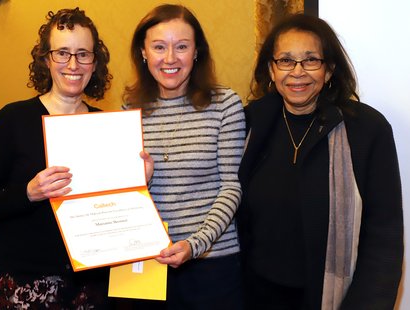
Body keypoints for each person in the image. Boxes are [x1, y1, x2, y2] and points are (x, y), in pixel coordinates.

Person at [0, 8, 131, 309]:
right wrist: (29, 193)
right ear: (46, 59)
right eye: (62, 53)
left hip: (89, 287)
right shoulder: (13, 119)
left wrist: (135, 178)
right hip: (22, 285)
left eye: (83, 54)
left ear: (95, 63)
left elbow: (116, 207)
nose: (73, 64)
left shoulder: (106, 126)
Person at [237, 13, 403, 309]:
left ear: (328, 71)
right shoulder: (250, 122)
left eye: (311, 60)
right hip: (254, 295)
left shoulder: (367, 130)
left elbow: (384, 236)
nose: (297, 72)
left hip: (331, 299)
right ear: (271, 70)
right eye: (285, 60)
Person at [123, 4, 246, 309]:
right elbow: (122, 196)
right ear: (143, 52)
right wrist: (139, 182)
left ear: (196, 52)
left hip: (212, 264)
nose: (169, 58)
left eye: (181, 47)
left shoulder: (226, 105)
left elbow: (232, 186)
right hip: (147, 263)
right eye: (159, 47)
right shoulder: (129, 112)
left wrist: (195, 245)